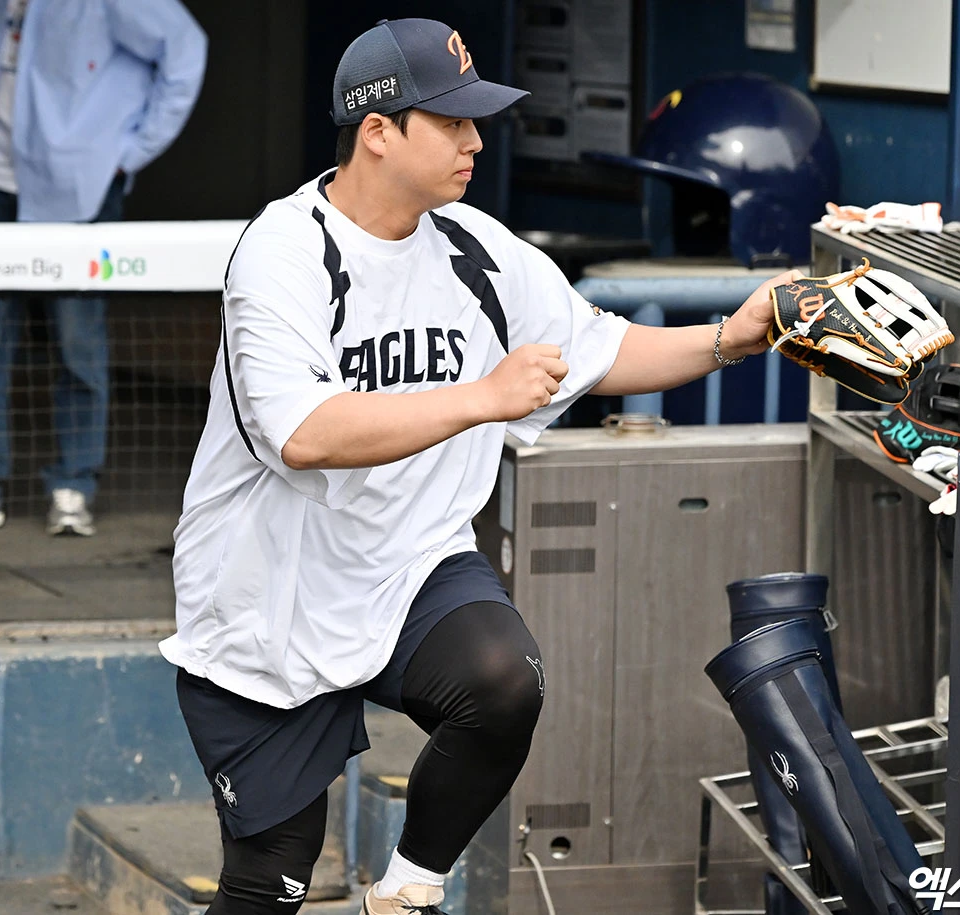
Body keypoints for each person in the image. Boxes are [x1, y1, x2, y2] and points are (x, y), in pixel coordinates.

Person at [160, 17, 800, 915]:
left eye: (476, 120)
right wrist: (482, 396)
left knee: (504, 681)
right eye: (451, 121)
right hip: (272, 596)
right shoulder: (284, 252)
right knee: (273, 880)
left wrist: (735, 336)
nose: (474, 140)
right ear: (377, 131)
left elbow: (600, 349)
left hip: (409, 564)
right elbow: (305, 432)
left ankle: (409, 892)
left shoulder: (473, 246)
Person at [0, 0, 207, 535]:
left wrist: (129, 152)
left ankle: (73, 486)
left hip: (79, 186)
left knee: (79, 343)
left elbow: (185, 49)